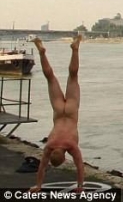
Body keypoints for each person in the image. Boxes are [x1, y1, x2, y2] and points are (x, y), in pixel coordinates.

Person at [30, 36, 84, 192]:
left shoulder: (71, 146)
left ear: (64, 157)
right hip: (59, 109)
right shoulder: (49, 145)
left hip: (71, 111)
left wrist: (81, 187)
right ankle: (42, 52)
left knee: (73, 77)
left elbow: (80, 166)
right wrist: (38, 185)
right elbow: (42, 166)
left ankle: (75, 49)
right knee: (51, 78)